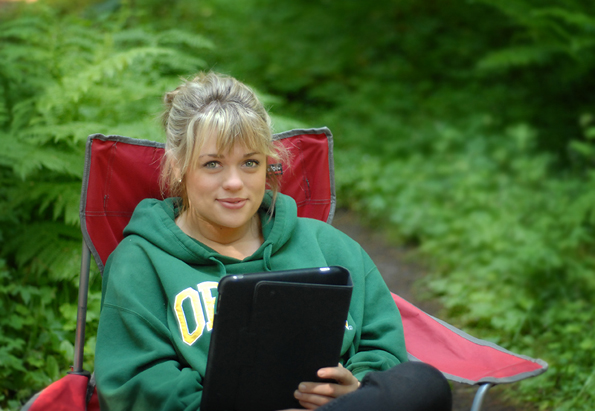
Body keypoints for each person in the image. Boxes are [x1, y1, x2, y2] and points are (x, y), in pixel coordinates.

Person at [94, 72, 452, 411]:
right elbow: (136, 382)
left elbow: (381, 346)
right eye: (213, 164)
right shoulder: (141, 262)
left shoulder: (329, 247)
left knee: (424, 383)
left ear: (268, 165)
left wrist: (355, 389)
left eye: (250, 163)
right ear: (178, 167)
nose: (235, 183)